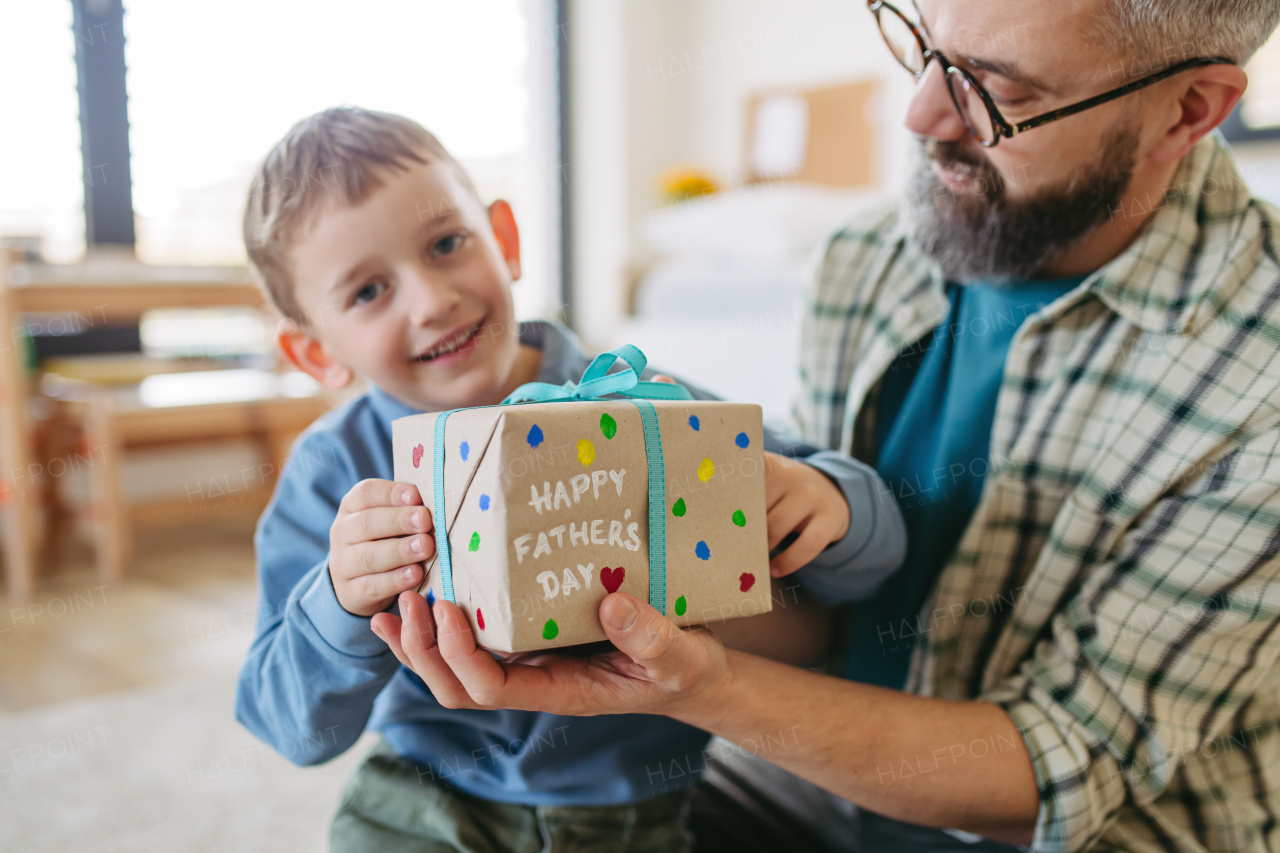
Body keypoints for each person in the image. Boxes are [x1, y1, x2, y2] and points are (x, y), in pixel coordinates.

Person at [379, 1, 1280, 851]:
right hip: (819, 779)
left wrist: (707, 689)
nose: (923, 114)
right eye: (923, 45)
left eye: (998, 93)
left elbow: (1055, 772)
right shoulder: (868, 257)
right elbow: (831, 619)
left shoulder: (1260, 376)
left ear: (1188, 112)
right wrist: (618, 602)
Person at [232, 106, 907, 852]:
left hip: (633, 811)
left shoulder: (643, 403)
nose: (432, 301)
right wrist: (337, 599)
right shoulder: (330, 472)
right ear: (316, 352)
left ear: (506, 240)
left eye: (447, 244)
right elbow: (290, 727)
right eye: (367, 292)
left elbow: (873, 572)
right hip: (421, 799)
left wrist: (832, 500)